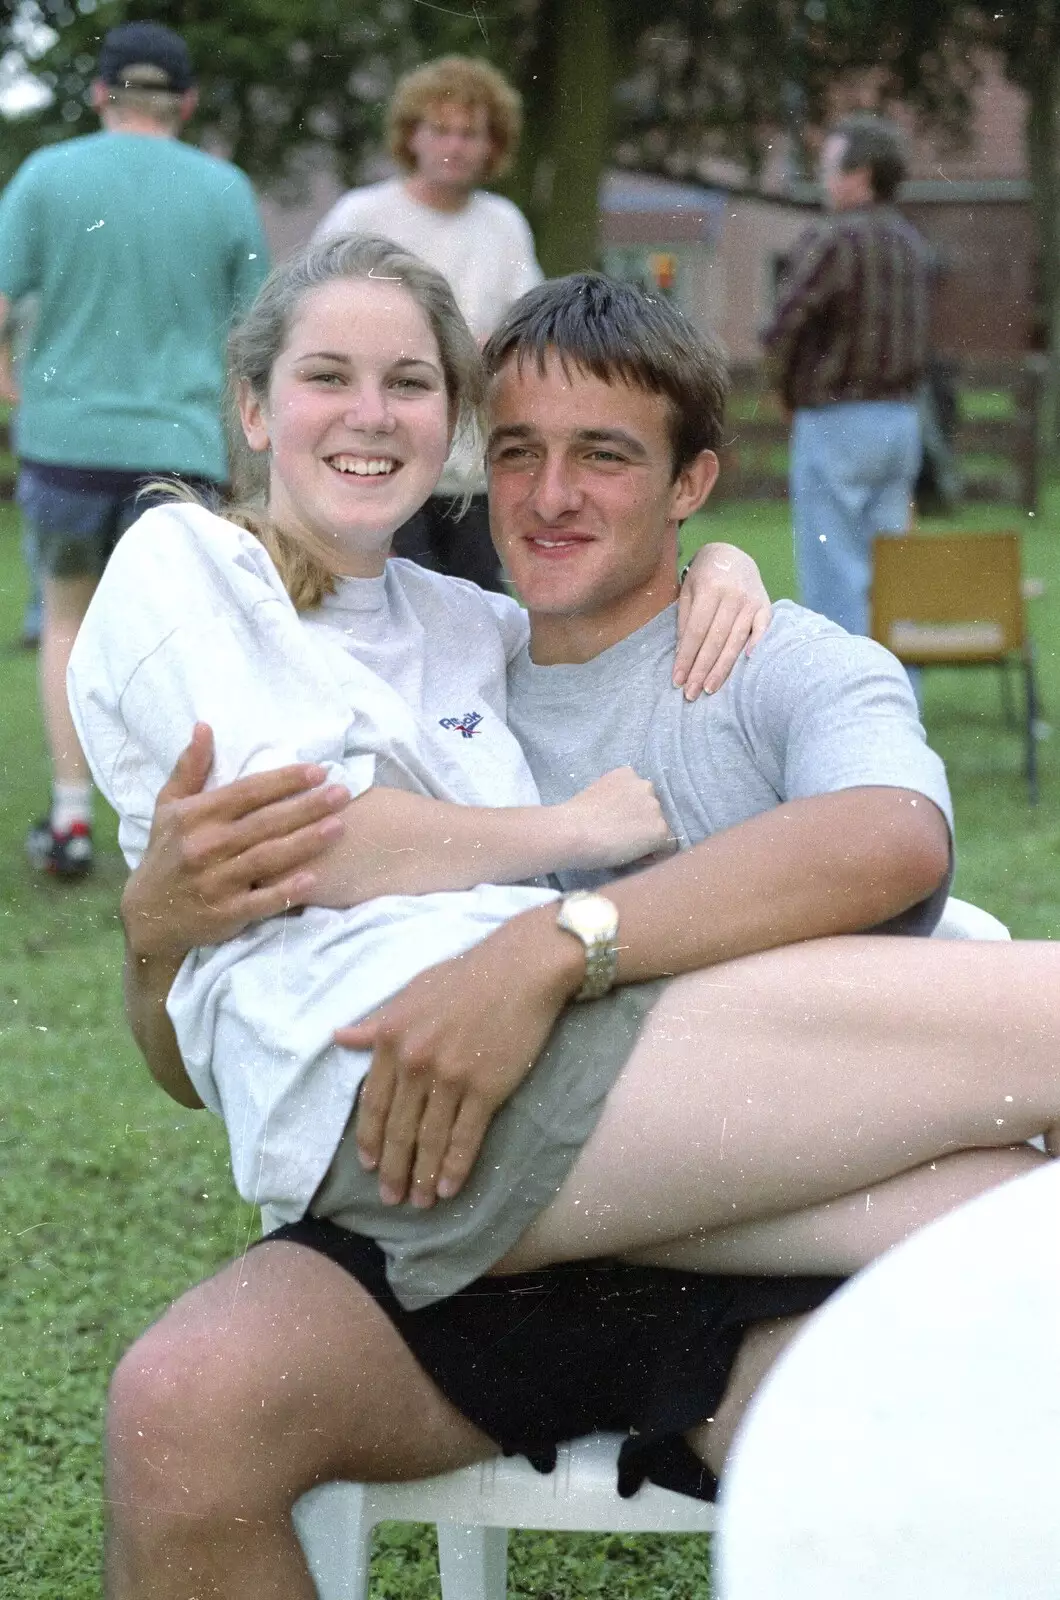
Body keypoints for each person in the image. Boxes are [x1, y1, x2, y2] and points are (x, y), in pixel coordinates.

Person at [88, 252, 1060, 1600]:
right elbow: (198, 1051)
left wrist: (553, 946)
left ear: (692, 480)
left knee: (968, 1353)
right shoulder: (450, 644)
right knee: (177, 1410)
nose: (549, 498)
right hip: (463, 1216)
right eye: (524, 451)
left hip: (740, 1235)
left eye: (606, 456)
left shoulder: (764, 657)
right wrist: (154, 936)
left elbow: (891, 838)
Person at [0, 20, 268, 878]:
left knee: (69, 621)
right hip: (182, 452)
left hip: (65, 444)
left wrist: (12, 380)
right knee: (180, 639)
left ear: (99, 94)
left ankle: (73, 821)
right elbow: (260, 332)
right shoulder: (226, 190)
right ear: (185, 103)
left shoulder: (46, 177)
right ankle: (184, 824)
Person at [314, 56, 542, 592]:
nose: (455, 145)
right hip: (380, 456)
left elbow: (525, 331)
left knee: (477, 612)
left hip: (472, 472)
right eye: (440, 129)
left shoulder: (503, 225)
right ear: (411, 136)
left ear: (493, 145)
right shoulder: (361, 217)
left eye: (471, 133)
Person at [761, 113, 930, 638]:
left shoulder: (833, 238)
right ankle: (900, 704)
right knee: (893, 577)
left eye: (831, 166)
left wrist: (784, 391)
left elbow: (784, 326)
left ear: (860, 175)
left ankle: (846, 709)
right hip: (901, 421)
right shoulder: (909, 242)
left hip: (836, 421)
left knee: (834, 574)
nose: (824, 178)